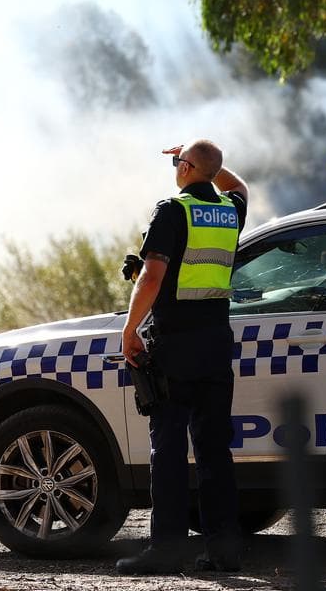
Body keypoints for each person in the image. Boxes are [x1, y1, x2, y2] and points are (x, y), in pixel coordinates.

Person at [116, 139, 250, 575]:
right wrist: (206, 166)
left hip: (174, 346)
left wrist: (130, 328)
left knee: (168, 450)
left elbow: (152, 276)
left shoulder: (173, 210)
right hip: (215, 344)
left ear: (186, 166)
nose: (175, 168)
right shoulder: (231, 209)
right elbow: (240, 186)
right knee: (214, 452)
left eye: (178, 163)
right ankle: (224, 551)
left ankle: (167, 549)